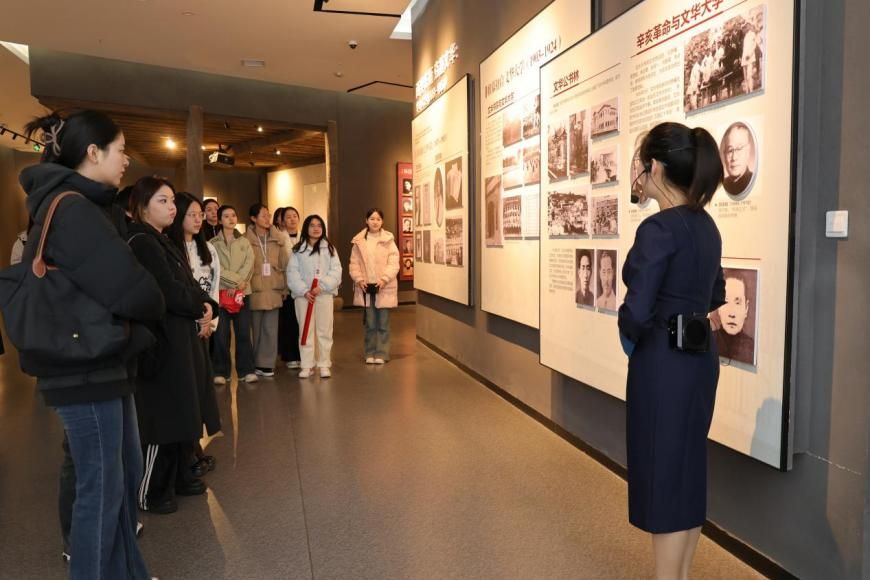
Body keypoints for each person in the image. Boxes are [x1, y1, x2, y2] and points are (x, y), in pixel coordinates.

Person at [20, 110, 164, 579]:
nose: (126, 160)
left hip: (100, 362)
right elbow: (133, 288)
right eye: (120, 150)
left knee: (119, 478)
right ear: (93, 152)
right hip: (84, 367)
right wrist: (152, 298)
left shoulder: (78, 204)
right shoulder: (74, 210)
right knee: (101, 490)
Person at [618, 121, 726, 580]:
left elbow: (637, 311)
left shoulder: (658, 228)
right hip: (700, 363)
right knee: (686, 470)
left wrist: (631, 337)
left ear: (656, 167)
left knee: (662, 473)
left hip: (662, 363)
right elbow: (715, 294)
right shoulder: (707, 227)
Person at [127, 177, 218, 515]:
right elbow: (167, 290)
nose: (171, 207)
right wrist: (199, 305)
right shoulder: (141, 241)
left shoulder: (162, 239)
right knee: (164, 416)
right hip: (161, 341)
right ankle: (151, 489)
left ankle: (180, 475)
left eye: (171, 200)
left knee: (183, 409)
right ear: (142, 206)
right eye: (162, 201)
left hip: (180, 337)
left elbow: (189, 283)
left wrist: (208, 304)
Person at [166, 191, 222, 478]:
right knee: (186, 391)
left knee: (202, 388)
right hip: (183, 327)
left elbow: (213, 286)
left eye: (201, 214)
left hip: (205, 324)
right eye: (192, 214)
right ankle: (187, 451)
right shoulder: (170, 248)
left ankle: (196, 447)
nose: (199, 219)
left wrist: (210, 320)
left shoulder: (207, 249)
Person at [287, 215, 342, 378]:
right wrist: (304, 291)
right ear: (306, 228)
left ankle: (324, 364)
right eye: (312, 225)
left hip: (323, 295)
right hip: (303, 297)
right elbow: (292, 272)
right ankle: (307, 365)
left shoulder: (330, 249)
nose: (316, 228)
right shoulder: (298, 250)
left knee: (325, 330)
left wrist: (322, 286)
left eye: (319, 225)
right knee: (305, 330)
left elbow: (336, 271)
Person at [210, 205, 258, 384]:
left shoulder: (244, 241)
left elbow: (250, 264)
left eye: (233, 215)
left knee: (244, 333)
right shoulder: (212, 243)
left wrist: (238, 284)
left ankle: (246, 371)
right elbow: (215, 268)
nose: (231, 219)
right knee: (221, 334)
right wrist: (233, 283)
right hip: (221, 293)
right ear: (219, 220)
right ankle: (221, 372)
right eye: (226, 216)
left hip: (242, 293)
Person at [348, 208, 400, 364]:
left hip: (384, 287)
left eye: (378, 219)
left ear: (382, 221)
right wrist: (358, 279)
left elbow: (394, 263)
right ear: (366, 221)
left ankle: (382, 353)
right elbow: (354, 263)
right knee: (370, 323)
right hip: (366, 288)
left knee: (383, 323)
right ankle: (369, 352)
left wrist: (384, 279)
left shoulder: (389, 240)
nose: (375, 222)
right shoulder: (359, 241)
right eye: (372, 218)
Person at [245, 203, 289, 378]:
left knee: (270, 329)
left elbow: (285, 265)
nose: (267, 219)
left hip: (273, 287)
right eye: (263, 215)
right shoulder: (245, 240)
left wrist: (285, 287)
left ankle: (267, 364)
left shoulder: (278, 239)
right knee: (255, 329)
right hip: (254, 289)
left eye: (268, 215)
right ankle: (255, 362)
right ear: (253, 218)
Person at [274, 206, 302, 369]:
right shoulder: (279, 238)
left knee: (303, 321)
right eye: (288, 217)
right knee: (289, 321)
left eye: (294, 216)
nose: (292, 219)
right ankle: (290, 355)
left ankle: (303, 354)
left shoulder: (305, 237)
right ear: (282, 221)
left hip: (304, 287)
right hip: (287, 286)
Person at [714, 270, 755, 365]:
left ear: (746, 308)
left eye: (737, 303)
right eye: (726, 302)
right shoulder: (710, 341)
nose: (732, 313)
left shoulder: (751, 347)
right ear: (718, 307)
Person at [720, 122, 755, 197]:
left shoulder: (754, 181)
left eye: (739, 149)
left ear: (748, 151)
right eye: (730, 150)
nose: (734, 158)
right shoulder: (721, 185)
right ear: (724, 154)